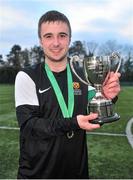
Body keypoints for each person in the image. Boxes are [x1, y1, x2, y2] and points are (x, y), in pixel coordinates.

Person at [15, 10, 121, 179]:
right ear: (40, 41)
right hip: (37, 174)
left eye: (62, 35)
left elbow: (94, 118)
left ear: (69, 39)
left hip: (76, 173)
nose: (56, 43)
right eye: (49, 36)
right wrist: (73, 123)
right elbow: (29, 126)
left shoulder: (83, 75)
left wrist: (108, 97)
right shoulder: (28, 76)